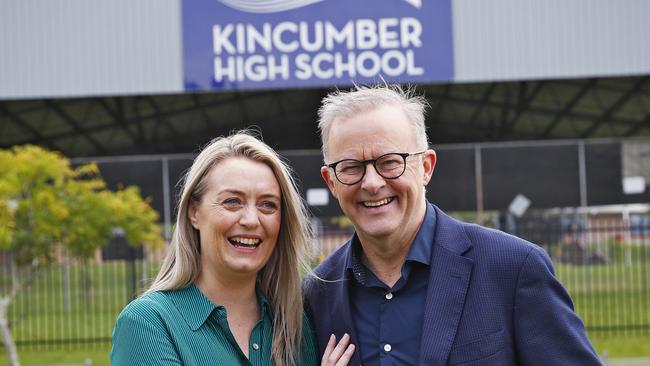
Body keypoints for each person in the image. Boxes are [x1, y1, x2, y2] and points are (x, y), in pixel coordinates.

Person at [303, 85, 602, 365]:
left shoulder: (514, 267)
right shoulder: (316, 295)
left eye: (390, 162)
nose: (371, 183)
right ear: (331, 182)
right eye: (351, 167)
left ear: (426, 167)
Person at [111, 132, 354, 365]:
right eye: (232, 201)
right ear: (193, 212)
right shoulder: (148, 324)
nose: (251, 220)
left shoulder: (294, 326)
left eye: (267, 205)